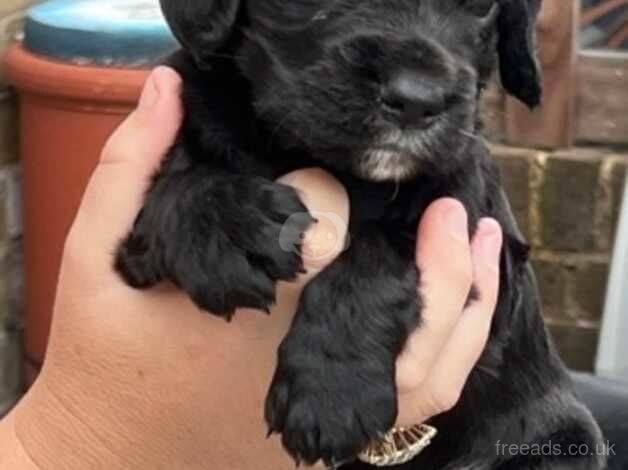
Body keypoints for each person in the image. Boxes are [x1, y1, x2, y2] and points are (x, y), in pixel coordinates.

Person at [0, 67, 504, 469]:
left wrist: (346, 338)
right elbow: (145, 241)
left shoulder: (446, 166)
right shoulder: (214, 106)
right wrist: (84, 443)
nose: (415, 79)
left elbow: (435, 266)